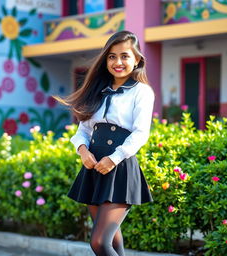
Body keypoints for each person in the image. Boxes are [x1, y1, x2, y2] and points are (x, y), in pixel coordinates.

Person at [59, 30, 155, 256]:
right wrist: (82, 151)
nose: (118, 62)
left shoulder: (142, 92)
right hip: (93, 169)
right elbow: (82, 131)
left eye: (124, 56)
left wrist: (114, 159)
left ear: (137, 59)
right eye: (112, 56)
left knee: (100, 243)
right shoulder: (96, 91)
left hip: (119, 168)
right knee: (112, 244)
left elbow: (141, 133)